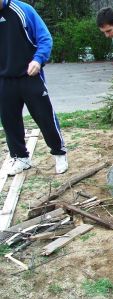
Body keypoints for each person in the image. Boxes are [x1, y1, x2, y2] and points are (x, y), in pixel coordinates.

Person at [0, 0, 68, 175]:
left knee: (44, 115)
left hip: (30, 74)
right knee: (9, 120)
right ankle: (21, 157)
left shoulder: (22, 10)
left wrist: (38, 59)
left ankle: (59, 152)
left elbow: (44, 37)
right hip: (5, 78)